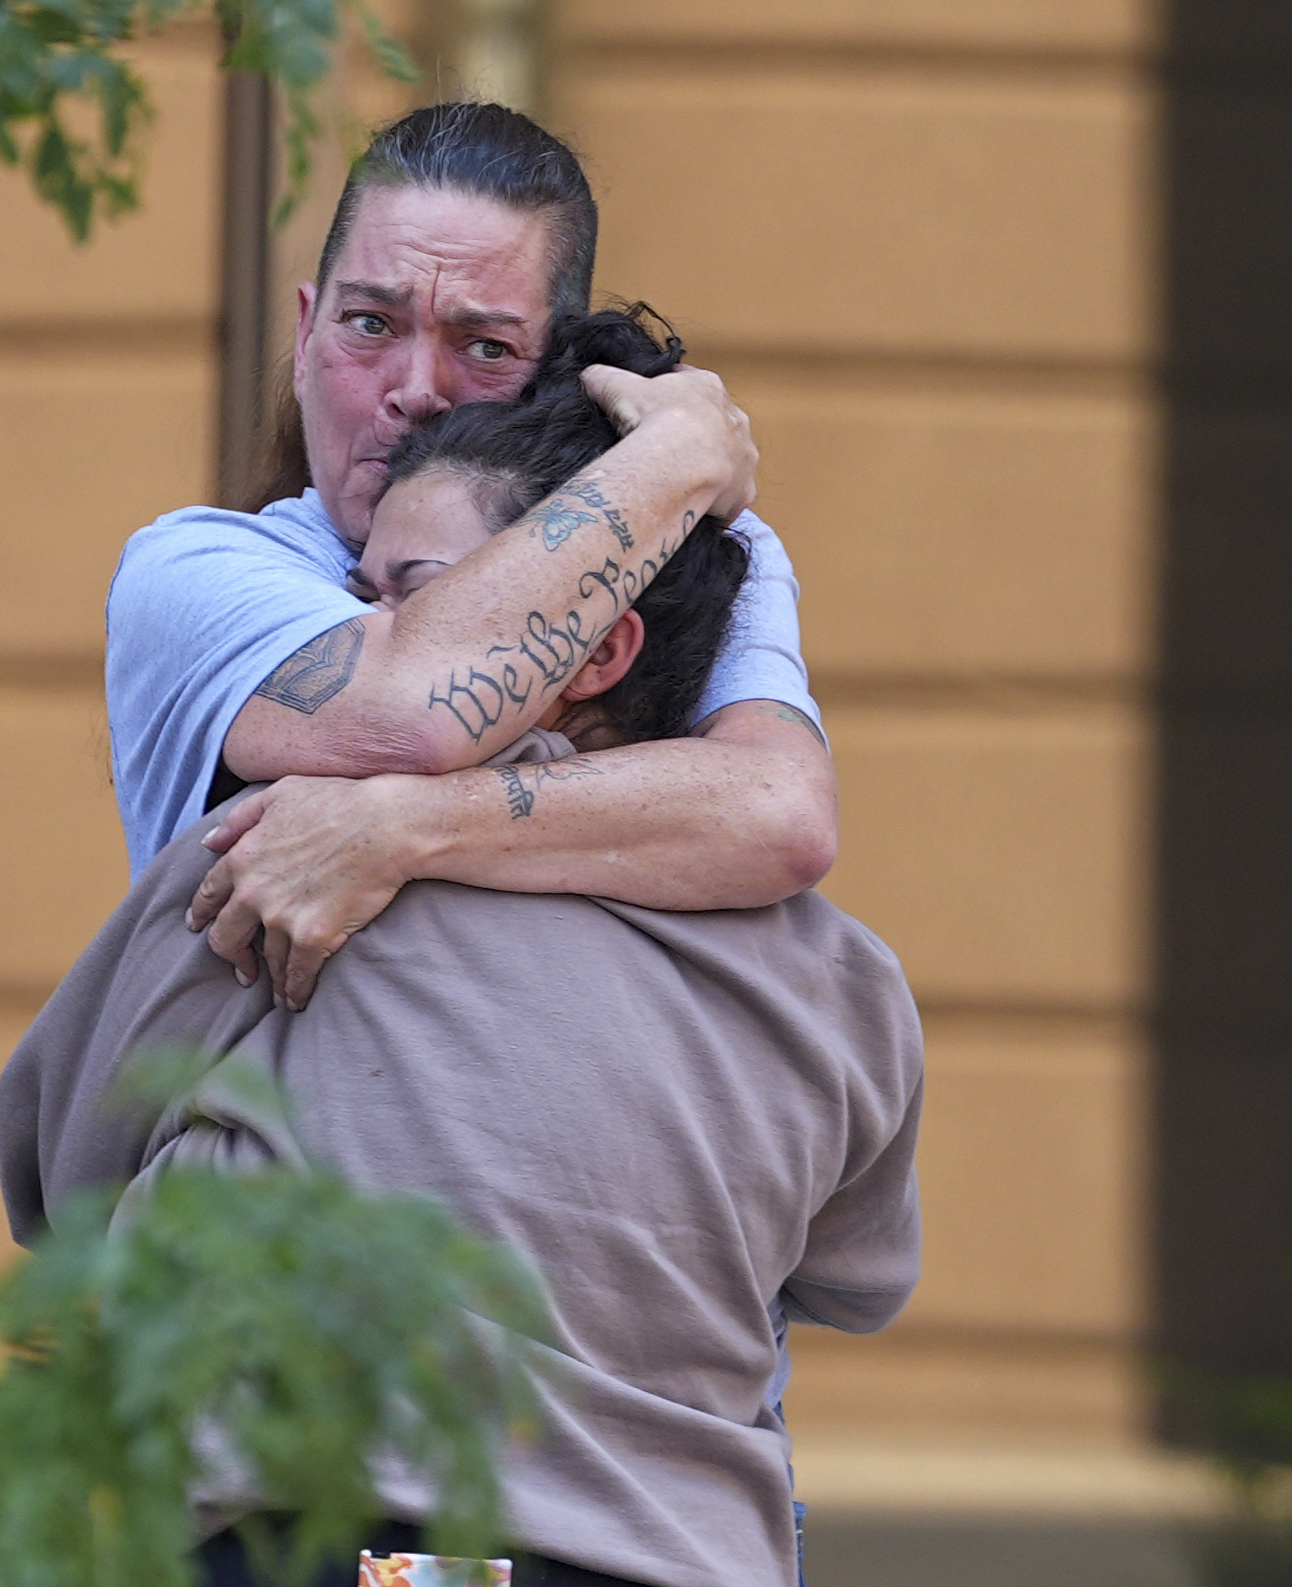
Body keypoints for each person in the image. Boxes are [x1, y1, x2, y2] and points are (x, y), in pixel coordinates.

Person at [0, 311, 923, 1587]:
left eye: (424, 605)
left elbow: (61, 1160)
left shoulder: (278, 869)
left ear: (591, 639)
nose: (378, 652)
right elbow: (855, 1275)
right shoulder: (841, 978)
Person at [103, 102, 837, 1013]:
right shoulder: (196, 568)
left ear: (558, 367)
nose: (414, 390)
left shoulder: (690, 532)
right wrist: (682, 453)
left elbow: (781, 815)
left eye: (484, 346)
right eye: (371, 325)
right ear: (304, 336)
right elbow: (407, 719)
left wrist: (404, 823)